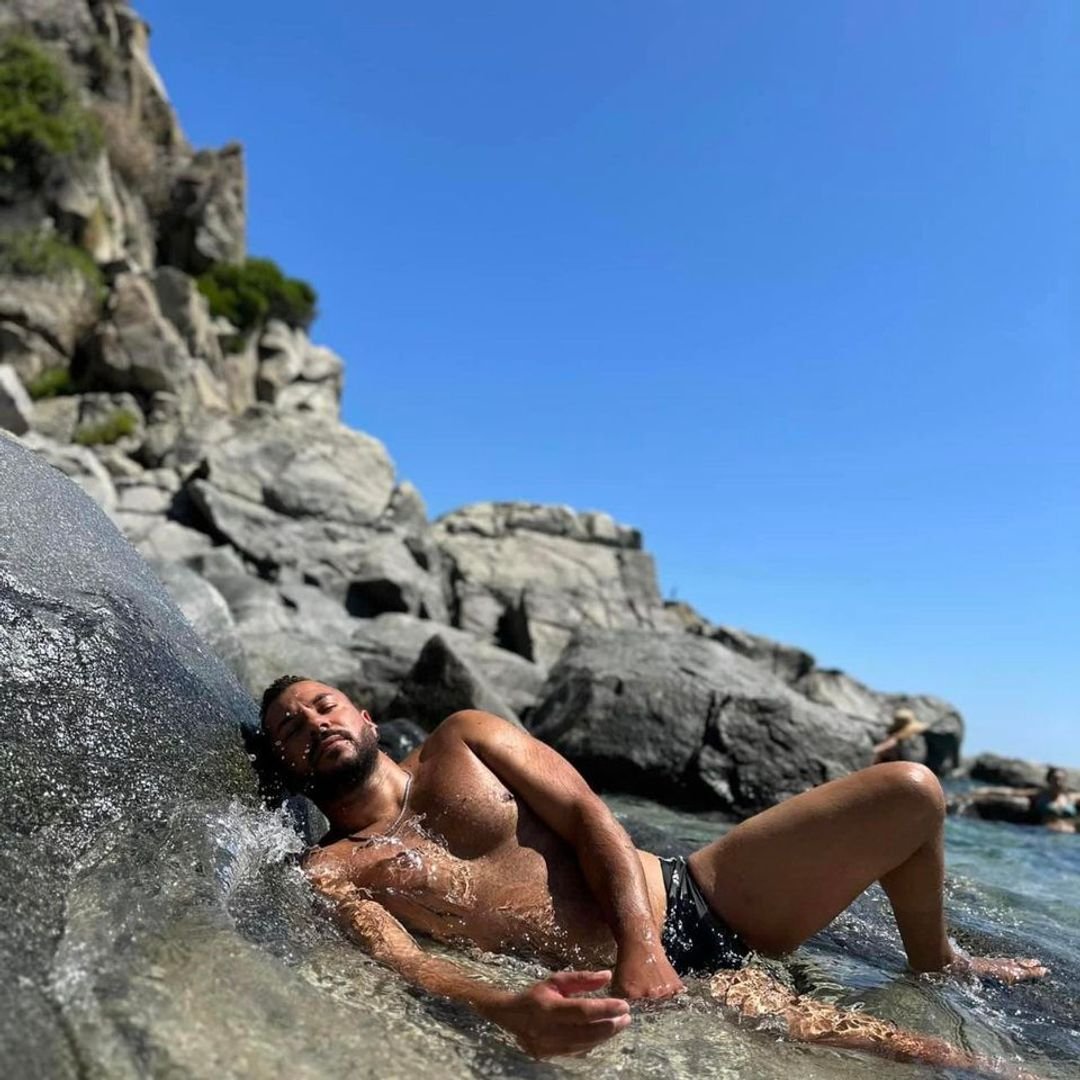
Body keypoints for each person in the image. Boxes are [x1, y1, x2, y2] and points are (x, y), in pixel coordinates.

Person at [253, 675, 1047, 1069]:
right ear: (286, 765)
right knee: (940, 1060)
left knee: (911, 791)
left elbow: (588, 815)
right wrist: (506, 1006)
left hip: (699, 894)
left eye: (324, 705)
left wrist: (641, 940)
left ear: (362, 714)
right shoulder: (332, 868)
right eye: (290, 728)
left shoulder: (464, 737)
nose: (313, 723)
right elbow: (406, 962)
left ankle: (936, 959)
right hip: (666, 987)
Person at [1029, 767, 1078, 833]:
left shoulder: (1070, 797)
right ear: (1048, 780)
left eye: (1061, 780)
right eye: (1055, 779)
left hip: (1070, 834)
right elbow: (1018, 792)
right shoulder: (1041, 794)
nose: (1058, 782)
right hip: (1047, 833)